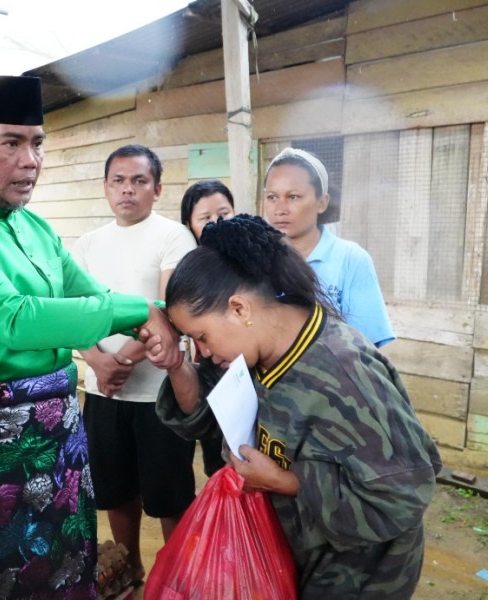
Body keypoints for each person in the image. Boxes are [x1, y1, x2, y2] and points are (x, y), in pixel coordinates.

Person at [0, 75, 182, 599]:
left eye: (37, 143)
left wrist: (159, 316)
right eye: (12, 143)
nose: (32, 160)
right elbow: (16, 319)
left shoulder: (35, 228)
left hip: (56, 440)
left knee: (67, 569)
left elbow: (87, 293)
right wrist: (141, 310)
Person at [144, 214, 442, 599]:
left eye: (201, 337)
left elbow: (405, 493)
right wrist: (176, 364)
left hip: (357, 574)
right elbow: (203, 414)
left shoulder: (344, 372)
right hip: (295, 554)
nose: (202, 350)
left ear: (239, 309)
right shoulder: (256, 352)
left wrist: (282, 481)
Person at [72, 144, 197, 583]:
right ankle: (131, 568)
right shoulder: (87, 245)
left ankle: (175, 578)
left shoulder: (173, 237)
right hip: (104, 390)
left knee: (169, 494)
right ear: (106, 188)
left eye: (139, 181)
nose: (128, 189)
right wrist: (96, 361)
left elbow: (170, 311)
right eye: (118, 181)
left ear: (157, 189)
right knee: (115, 489)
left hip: (159, 392)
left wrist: (122, 357)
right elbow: (75, 313)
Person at [263, 147, 394, 347]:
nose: (280, 209)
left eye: (293, 197)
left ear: (321, 202)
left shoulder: (350, 259)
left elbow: (366, 347)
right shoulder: (257, 258)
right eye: (272, 197)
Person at [178, 179, 237, 476]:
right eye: (205, 218)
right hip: (214, 376)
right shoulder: (189, 270)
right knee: (219, 466)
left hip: (256, 378)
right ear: (189, 225)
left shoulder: (252, 259)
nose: (216, 223)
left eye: (224, 214)